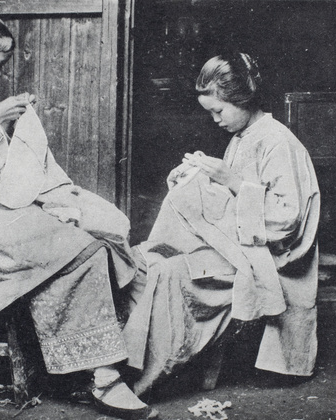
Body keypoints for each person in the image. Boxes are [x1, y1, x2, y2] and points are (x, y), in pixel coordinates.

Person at [0, 7, 152, 419]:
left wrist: (15, 136)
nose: (0, 72)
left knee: (90, 222)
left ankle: (84, 367)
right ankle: (101, 376)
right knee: (80, 248)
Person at [122, 52, 320, 397]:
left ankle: (144, 380)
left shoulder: (277, 140)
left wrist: (231, 182)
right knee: (151, 264)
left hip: (275, 260)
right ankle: (130, 368)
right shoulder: (243, 137)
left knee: (171, 275)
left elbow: (287, 220)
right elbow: (230, 204)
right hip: (245, 248)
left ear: (244, 99)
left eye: (219, 110)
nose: (215, 119)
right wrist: (194, 179)